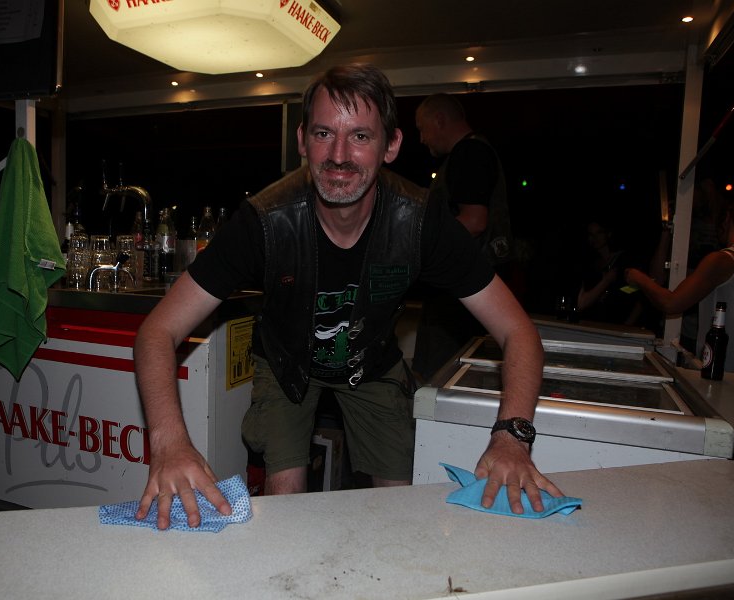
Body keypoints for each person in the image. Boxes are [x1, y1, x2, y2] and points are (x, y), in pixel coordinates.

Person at [133, 64, 562, 529]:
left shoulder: (421, 221)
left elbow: (518, 331)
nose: (339, 155)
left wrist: (512, 437)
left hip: (371, 361)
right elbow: (157, 331)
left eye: (360, 136)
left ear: (391, 145)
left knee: (400, 504)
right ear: (302, 141)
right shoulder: (264, 221)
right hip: (286, 360)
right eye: (324, 133)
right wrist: (170, 444)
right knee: (284, 498)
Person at [411, 93, 517, 381]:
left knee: (441, 379)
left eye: (422, 128)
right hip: (475, 289)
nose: (422, 138)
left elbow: (474, 222)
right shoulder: (476, 151)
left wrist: (417, 245)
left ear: (439, 120)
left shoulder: (468, 153)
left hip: (460, 292)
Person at [625, 194, 734, 376]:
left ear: (728, 218)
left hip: (726, 372)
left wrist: (638, 278)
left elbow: (671, 303)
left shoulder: (725, 260)